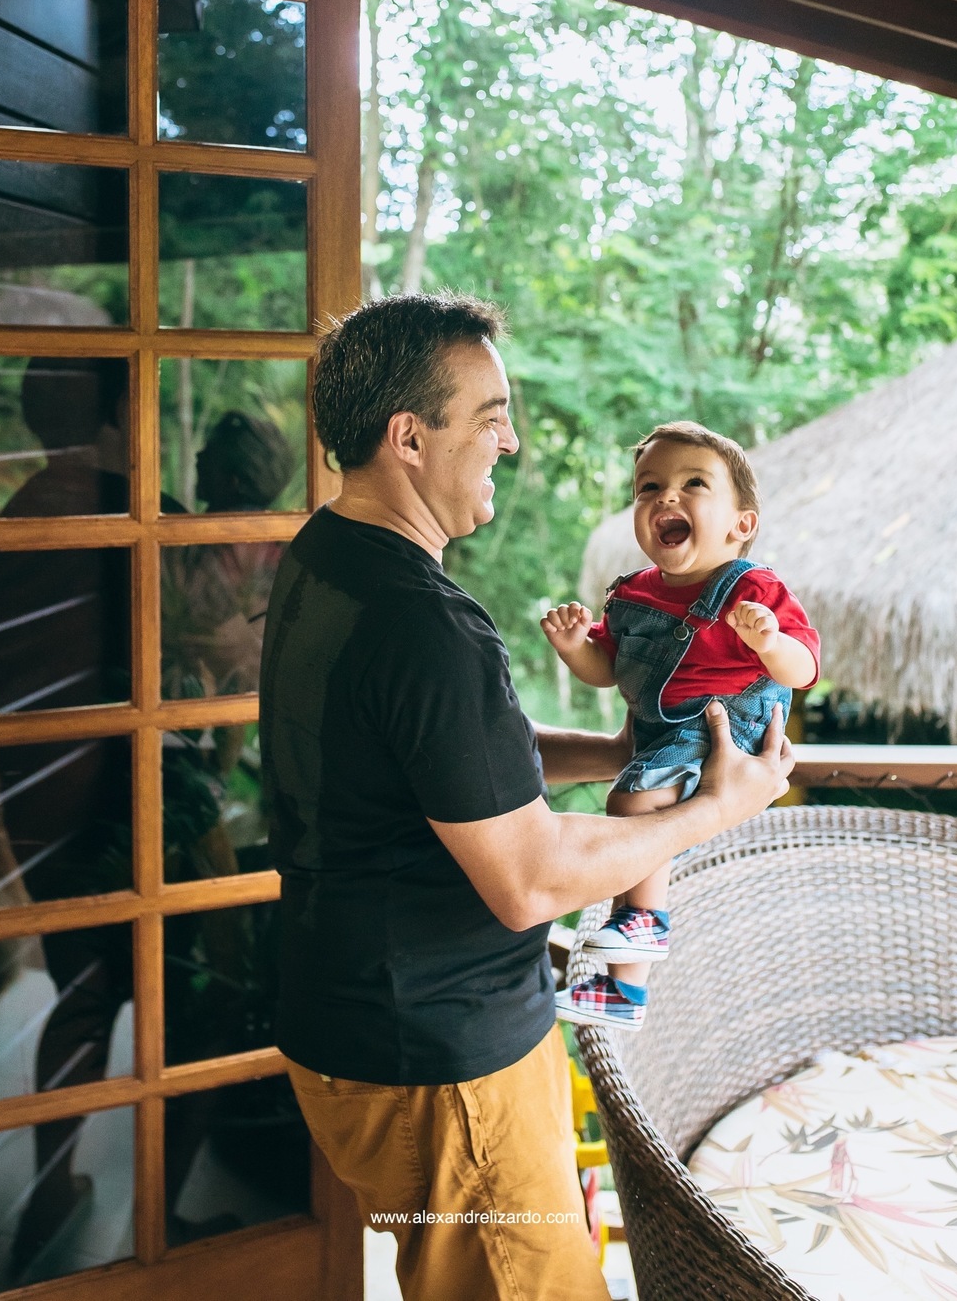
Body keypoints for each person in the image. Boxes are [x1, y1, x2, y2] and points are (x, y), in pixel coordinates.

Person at [259, 296, 795, 1301]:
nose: (512, 437)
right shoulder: (424, 625)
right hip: (444, 1067)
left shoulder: (325, 559)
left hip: (350, 1029)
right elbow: (528, 878)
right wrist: (720, 806)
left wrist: (610, 748)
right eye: (491, 413)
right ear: (409, 437)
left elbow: (443, 759)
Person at [542, 421, 819, 1032]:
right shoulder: (634, 594)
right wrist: (572, 648)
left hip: (726, 729)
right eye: (649, 487)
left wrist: (769, 643)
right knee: (635, 816)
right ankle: (626, 991)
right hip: (662, 733)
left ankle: (643, 923)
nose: (666, 497)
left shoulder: (753, 588)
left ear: (739, 525)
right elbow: (608, 669)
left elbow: (803, 669)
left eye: (694, 483)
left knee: (632, 802)